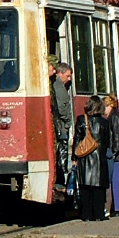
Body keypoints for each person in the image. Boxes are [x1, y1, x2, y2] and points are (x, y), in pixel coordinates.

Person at [73, 96, 109, 221]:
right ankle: (99, 214)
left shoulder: (82, 120)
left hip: (85, 159)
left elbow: (77, 140)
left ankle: (86, 215)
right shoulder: (104, 122)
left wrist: (74, 157)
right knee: (99, 189)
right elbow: (107, 141)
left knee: (85, 188)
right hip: (100, 159)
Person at [51, 63, 74, 191]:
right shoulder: (59, 88)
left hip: (61, 126)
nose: (69, 79)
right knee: (61, 155)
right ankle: (59, 181)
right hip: (61, 127)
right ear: (59, 73)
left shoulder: (60, 86)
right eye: (67, 76)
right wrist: (66, 123)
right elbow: (61, 109)